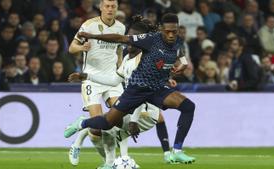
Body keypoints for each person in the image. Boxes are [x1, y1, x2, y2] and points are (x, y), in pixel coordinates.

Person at [66, 13, 196, 164]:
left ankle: (177, 151)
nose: (171, 35)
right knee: (108, 123)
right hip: (137, 90)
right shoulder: (149, 42)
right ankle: (82, 124)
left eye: (175, 31)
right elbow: (120, 40)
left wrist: (184, 63)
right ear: (161, 29)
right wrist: (93, 37)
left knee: (188, 107)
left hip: (157, 89)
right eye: (168, 31)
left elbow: (179, 52)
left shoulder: (176, 41)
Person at [67, 0, 126, 166]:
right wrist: (81, 48)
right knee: (97, 127)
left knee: (120, 119)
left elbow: (119, 50)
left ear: (117, 8)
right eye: (107, 6)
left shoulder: (120, 28)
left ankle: (109, 163)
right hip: (91, 79)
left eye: (113, 6)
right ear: (100, 7)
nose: (110, 9)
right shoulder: (88, 25)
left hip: (113, 80)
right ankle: (81, 141)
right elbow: (71, 47)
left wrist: (121, 71)